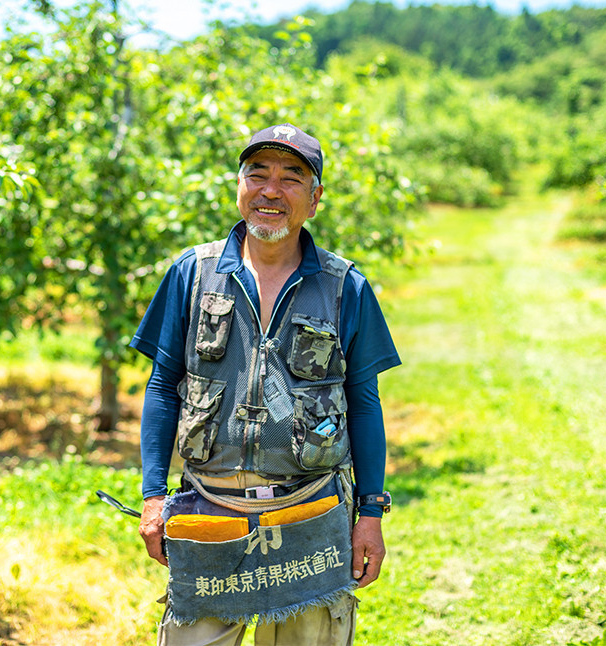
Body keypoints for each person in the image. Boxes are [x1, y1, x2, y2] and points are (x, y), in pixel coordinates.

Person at [130, 123, 400, 646]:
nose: (271, 190)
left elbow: (364, 405)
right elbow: (163, 387)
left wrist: (369, 513)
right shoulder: (193, 273)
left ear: (315, 199)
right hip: (211, 509)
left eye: (291, 178)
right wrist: (152, 496)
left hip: (311, 514)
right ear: (239, 187)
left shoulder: (347, 287)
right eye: (258, 173)